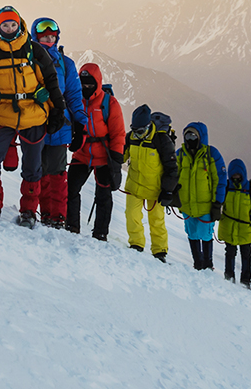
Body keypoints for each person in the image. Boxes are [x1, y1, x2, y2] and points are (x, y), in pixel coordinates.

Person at [0, 7, 63, 226]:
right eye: (5, 25)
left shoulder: (34, 50)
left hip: (34, 115)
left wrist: (58, 110)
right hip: (3, 115)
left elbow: (50, 82)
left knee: (33, 167)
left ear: (20, 25)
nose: (10, 29)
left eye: (13, 25)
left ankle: (28, 211)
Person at [30, 18, 87, 229]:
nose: (48, 38)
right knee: (38, 171)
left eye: (52, 36)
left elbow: (74, 95)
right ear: (36, 36)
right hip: (35, 124)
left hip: (60, 128)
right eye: (44, 36)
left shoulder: (66, 63)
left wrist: (80, 123)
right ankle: (45, 213)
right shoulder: (28, 60)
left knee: (56, 173)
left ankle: (57, 216)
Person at [66, 63, 125, 239]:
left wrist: (116, 159)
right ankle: (71, 226)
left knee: (103, 195)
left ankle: (100, 233)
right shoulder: (75, 99)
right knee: (71, 188)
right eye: (83, 83)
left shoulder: (109, 103)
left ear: (97, 82)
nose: (86, 87)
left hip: (104, 156)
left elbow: (118, 133)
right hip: (82, 154)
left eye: (90, 83)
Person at [122, 105, 177, 260]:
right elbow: (121, 156)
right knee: (132, 215)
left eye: (140, 131)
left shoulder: (162, 141)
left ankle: (159, 251)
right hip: (134, 185)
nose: (136, 134)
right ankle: (136, 244)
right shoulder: (130, 138)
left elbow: (172, 168)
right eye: (134, 130)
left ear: (148, 126)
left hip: (156, 189)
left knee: (157, 221)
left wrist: (167, 190)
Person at [175, 122, 227, 271]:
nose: (190, 139)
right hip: (187, 204)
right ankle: (197, 263)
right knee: (191, 233)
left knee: (205, 234)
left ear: (201, 137)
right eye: (187, 135)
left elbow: (220, 180)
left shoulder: (211, 155)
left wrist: (218, 203)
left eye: (193, 135)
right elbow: (173, 175)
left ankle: (208, 264)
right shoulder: (180, 154)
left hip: (206, 205)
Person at [217, 159, 251, 286]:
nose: (236, 177)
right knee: (230, 254)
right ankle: (229, 278)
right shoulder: (226, 187)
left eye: (238, 174)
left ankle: (245, 281)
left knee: (246, 256)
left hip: (244, 229)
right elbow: (218, 202)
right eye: (234, 174)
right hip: (231, 228)